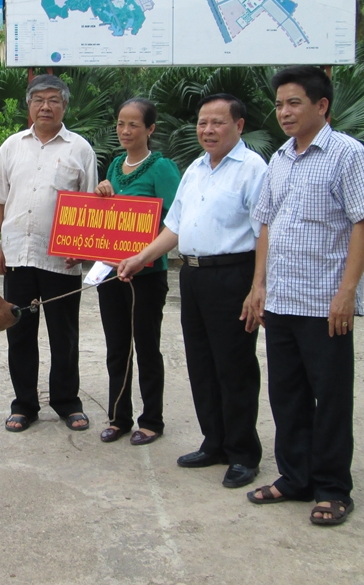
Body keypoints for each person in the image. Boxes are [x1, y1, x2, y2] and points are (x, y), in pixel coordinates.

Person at [244, 66, 364, 526]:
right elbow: (265, 223)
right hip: (281, 300)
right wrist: (258, 285)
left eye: (294, 102)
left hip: (325, 303)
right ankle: (295, 477)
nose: (284, 112)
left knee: (331, 397)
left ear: (322, 106)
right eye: (280, 103)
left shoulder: (348, 154)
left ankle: (332, 488)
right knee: (287, 395)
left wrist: (347, 293)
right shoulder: (279, 158)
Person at [116, 94, 267, 488]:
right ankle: (214, 442)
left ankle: (243, 453)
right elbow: (175, 227)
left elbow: (264, 231)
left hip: (234, 274)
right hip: (195, 276)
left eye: (218, 122)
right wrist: (139, 258)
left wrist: (258, 286)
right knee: (202, 364)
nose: (208, 130)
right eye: (202, 123)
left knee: (234, 367)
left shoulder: (253, 169)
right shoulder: (197, 169)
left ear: (239, 125)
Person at [0, 74, 98, 433]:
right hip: (18, 256)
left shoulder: (80, 149)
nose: (45, 106)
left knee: (64, 335)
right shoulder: (12, 146)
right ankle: (24, 405)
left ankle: (67, 402)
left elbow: (91, 205)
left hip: (61, 260)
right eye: (38, 100)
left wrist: (82, 250)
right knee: (19, 333)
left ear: (65, 105)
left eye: (53, 100)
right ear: (29, 106)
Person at [94, 98, 180, 446]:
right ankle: (119, 417)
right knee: (117, 349)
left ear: (150, 129)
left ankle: (152, 420)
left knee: (146, 348)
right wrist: (102, 191)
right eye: (120, 124)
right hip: (111, 274)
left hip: (146, 276)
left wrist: (143, 256)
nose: (125, 131)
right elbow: (107, 216)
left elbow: (176, 220)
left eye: (133, 125)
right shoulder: (115, 165)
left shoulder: (162, 169)